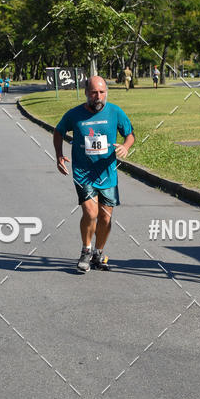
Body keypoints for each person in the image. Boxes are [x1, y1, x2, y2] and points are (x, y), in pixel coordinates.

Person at [53, 75, 135, 273]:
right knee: (90, 212)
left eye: (101, 92)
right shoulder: (74, 114)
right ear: (86, 93)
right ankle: (86, 250)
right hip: (83, 172)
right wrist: (59, 156)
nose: (98, 96)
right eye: (93, 93)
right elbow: (58, 132)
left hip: (107, 172)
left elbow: (130, 134)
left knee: (105, 218)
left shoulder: (115, 111)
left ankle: (99, 252)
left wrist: (125, 146)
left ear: (106, 92)